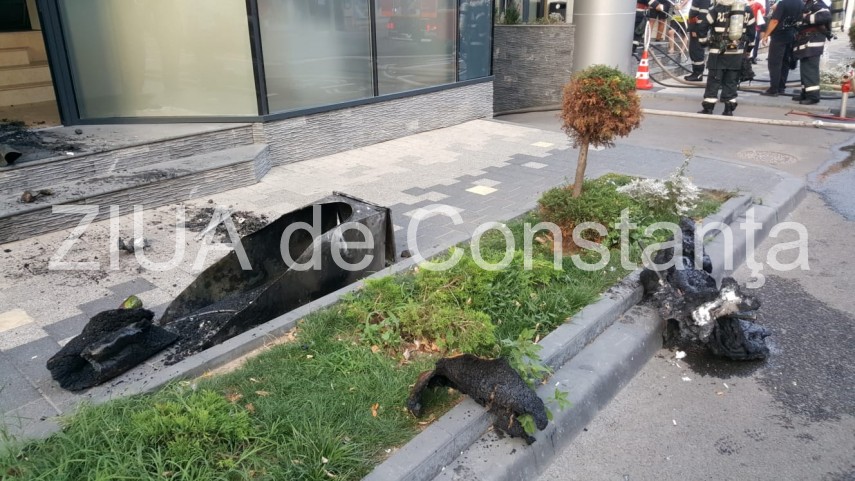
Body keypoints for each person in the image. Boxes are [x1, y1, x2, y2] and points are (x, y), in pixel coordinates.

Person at [697, 0, 755, 115]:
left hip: (718, 52)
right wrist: (748, 50)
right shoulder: (747, 10)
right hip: (736, 52)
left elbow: (702, 27)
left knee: (714, 80)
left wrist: (704, 43)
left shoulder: (717, 9)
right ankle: (729, 109)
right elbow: (752, 33)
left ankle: (708, 108)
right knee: (731, 81)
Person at [791, 0, 832, 104]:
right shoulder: (809, 3)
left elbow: (826, 16)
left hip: (813, 42)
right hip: (806, 41)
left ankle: (813, 96)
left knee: (810, 69)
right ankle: (805, 93)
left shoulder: (817, 3)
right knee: (805, 69)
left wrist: (806, 17)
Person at [760, 0, 804, 96]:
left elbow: (775, 21)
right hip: (792, 35)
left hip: (779, 36)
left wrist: (766, 35)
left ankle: (774, 89)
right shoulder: (801, 3)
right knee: (785, 62)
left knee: (775, 62)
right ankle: (781, 87)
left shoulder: (783, 3)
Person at [684, 0, 712, 81]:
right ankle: (696, 72)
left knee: (697, 50)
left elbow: (703, 16)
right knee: (693, 50)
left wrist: (696, 29)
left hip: (698, 29)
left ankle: (698, 74)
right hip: (694, 26)